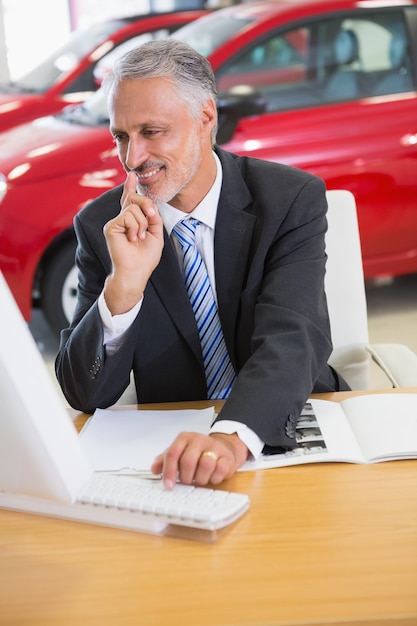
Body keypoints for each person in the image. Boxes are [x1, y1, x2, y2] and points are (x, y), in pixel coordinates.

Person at [56, 39, 349, 489]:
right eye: (121, 136)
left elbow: (294, 338)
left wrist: (232, 437)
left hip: (288, 426)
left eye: (152, 132)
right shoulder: (102, 225)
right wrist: (124, 287)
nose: (132, 159)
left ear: (205, 118)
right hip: (176, 454)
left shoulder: (289, 199)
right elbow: (85, 393)